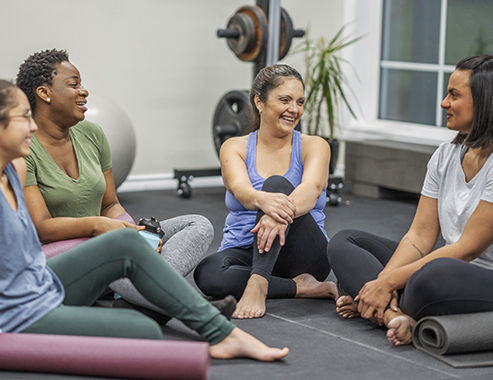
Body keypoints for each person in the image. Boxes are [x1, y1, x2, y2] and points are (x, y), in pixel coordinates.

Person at [0, 79, 288, 361]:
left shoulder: (15, 167)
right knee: (146, 330)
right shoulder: (27, 160)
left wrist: (128, 229)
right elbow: (42, 226)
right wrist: (96, 226)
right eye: (24, 118)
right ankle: (164, 301)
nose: (33, 125)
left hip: (41, 278)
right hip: (19, 310)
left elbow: (111, 203)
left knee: (126, 240)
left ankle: (222, 333)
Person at [16, 49, 214, 314]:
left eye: (82, 85)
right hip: (58, 257)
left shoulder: (93, 134)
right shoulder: (24, 149)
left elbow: (110, 204)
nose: (84, 92)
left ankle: (141, 294)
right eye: (74, 85)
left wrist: (135, 236)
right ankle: (186, 306)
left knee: (198, 225)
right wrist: (101, 229)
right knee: (107, 249)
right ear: (44, 93)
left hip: (105, 240)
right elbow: (42, 228)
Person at [326, 55, 493, 346]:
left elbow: (467, 250)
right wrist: (381, 284)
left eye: (454, 95)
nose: (444, 103)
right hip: (443, 265)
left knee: (428, 275)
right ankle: (394, 316)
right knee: (345, 241)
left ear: (484, 102)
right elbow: (419, 235)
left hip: (474, 275)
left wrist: (387, 282)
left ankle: (375, 304)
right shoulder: (445, 155)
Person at [194, 64, 338, 319]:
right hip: (246, 248)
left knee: (277, 185)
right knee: (208, 274)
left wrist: (274, 209)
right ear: (259, 102)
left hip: (302, 254)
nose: (294, 109)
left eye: (300, 102)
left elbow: (311, 190)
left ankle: (259, 284)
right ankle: (300, 287)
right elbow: (240, 190)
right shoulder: (234, 147)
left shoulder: (314, 145)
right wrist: (264, 202)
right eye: (285, 100)